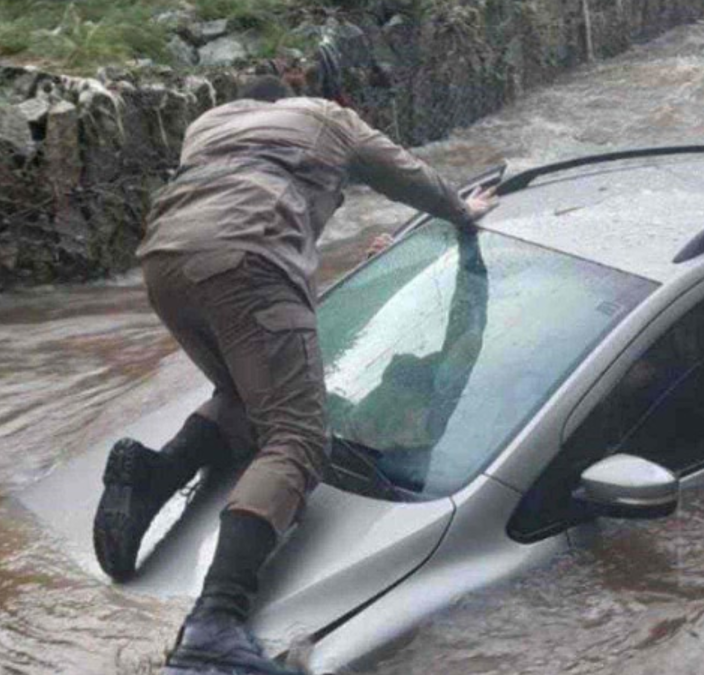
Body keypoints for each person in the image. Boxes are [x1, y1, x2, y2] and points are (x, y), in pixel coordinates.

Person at [91, 75, 497, 675]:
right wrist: (463, 211)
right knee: (297, 437)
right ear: (296, 97)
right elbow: (403, 172)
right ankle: (215, 625)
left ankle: (154, 477)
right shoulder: (329, 117)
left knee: (241, 395)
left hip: (163, 262)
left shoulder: (211, 124)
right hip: (248, 259)